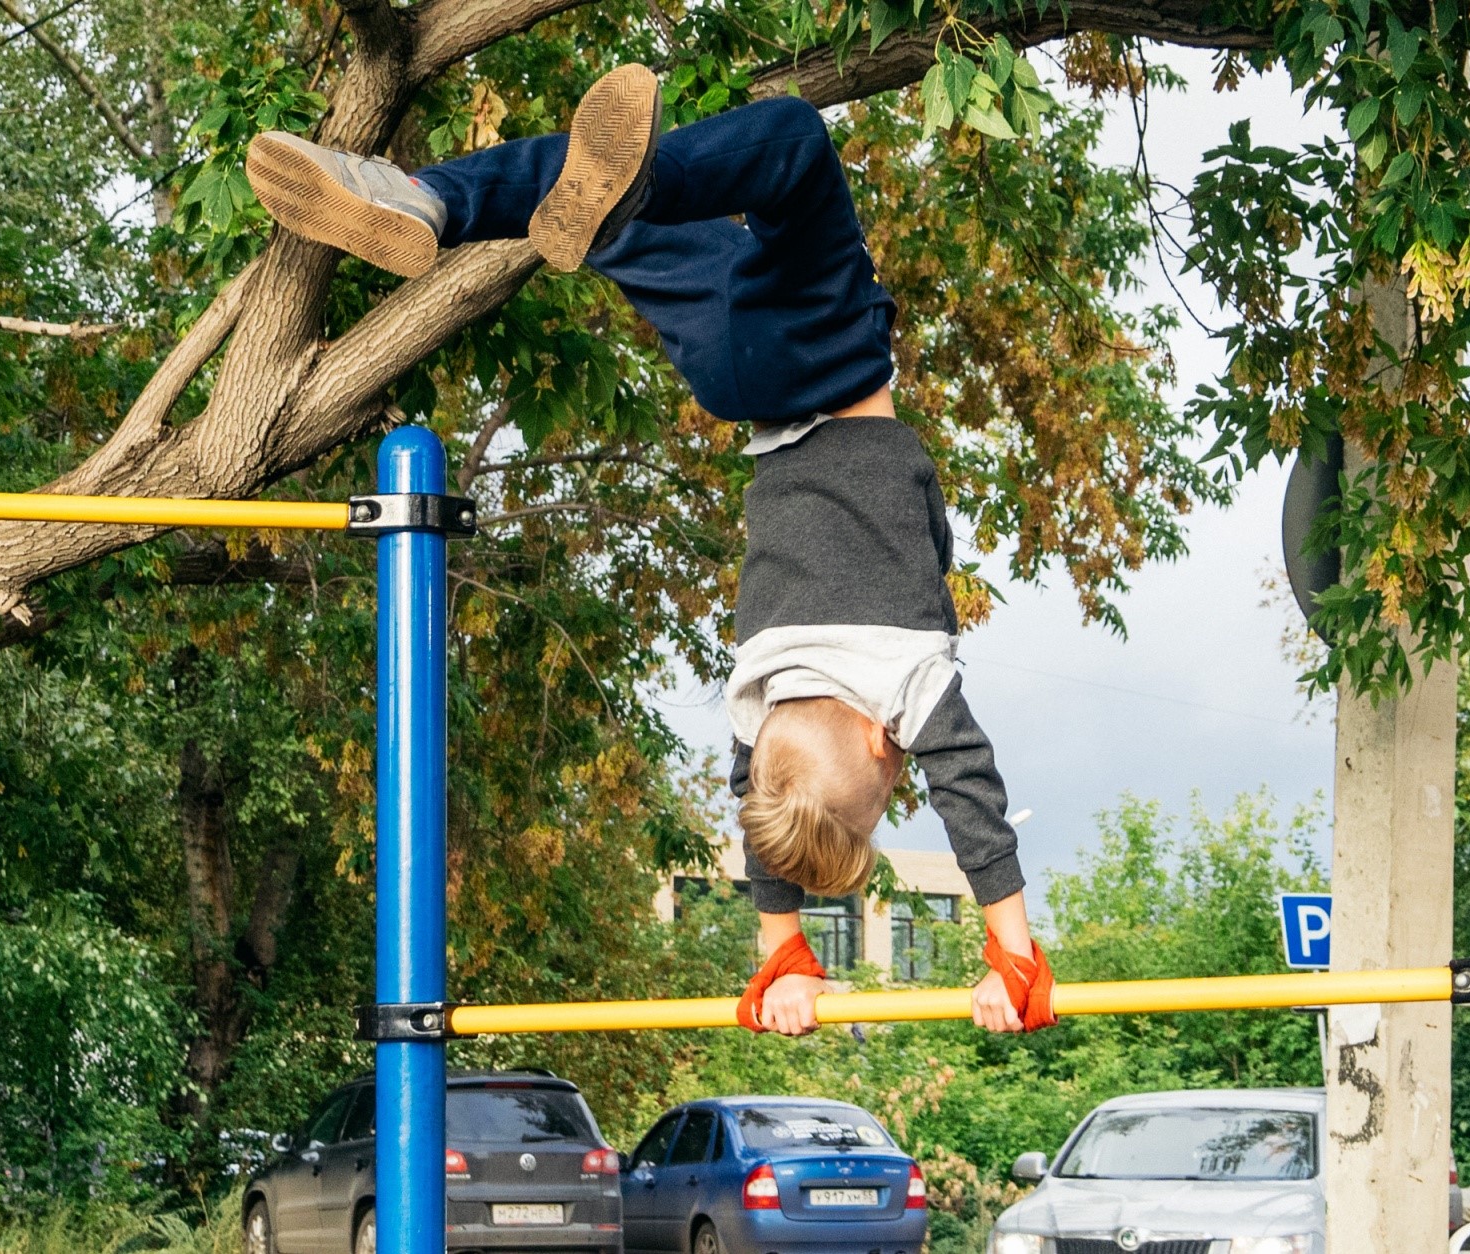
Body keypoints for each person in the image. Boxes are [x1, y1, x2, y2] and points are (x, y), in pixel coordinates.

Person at [246, 64, 1056, 1035]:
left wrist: (1013, 953)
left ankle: (544, 191)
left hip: (818, 361)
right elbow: (761, 806)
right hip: (732, 371)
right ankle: (424, 199)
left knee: (791, 143)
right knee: (587, 203)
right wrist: (782, 958)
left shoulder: (901, 679)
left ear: (888, 748)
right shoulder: (756, 695)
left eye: (892, 792)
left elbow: (972, 791)